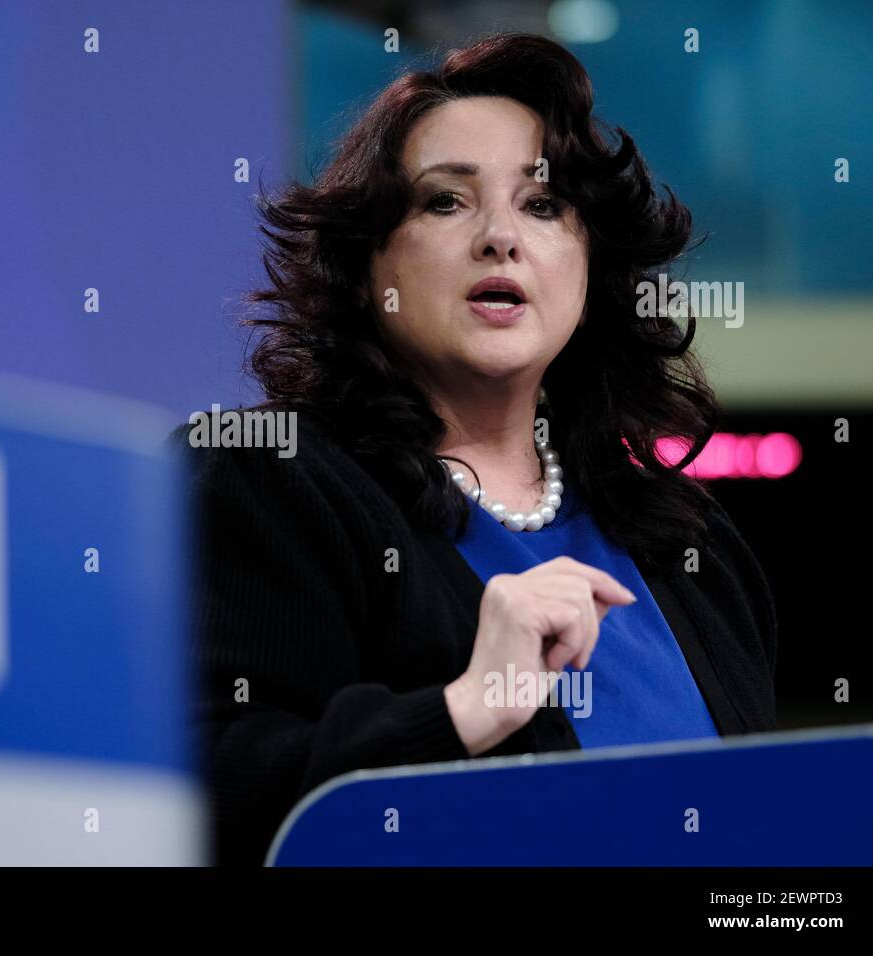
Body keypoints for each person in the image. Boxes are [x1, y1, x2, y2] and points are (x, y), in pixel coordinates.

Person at [169, 33, 777, 867]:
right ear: (363, 266)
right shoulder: (264, 478)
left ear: (592, 268)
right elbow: (214, 792)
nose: (500, 236)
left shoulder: (688, 542)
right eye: (444, 202)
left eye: (543, 205)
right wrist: (461, 712)